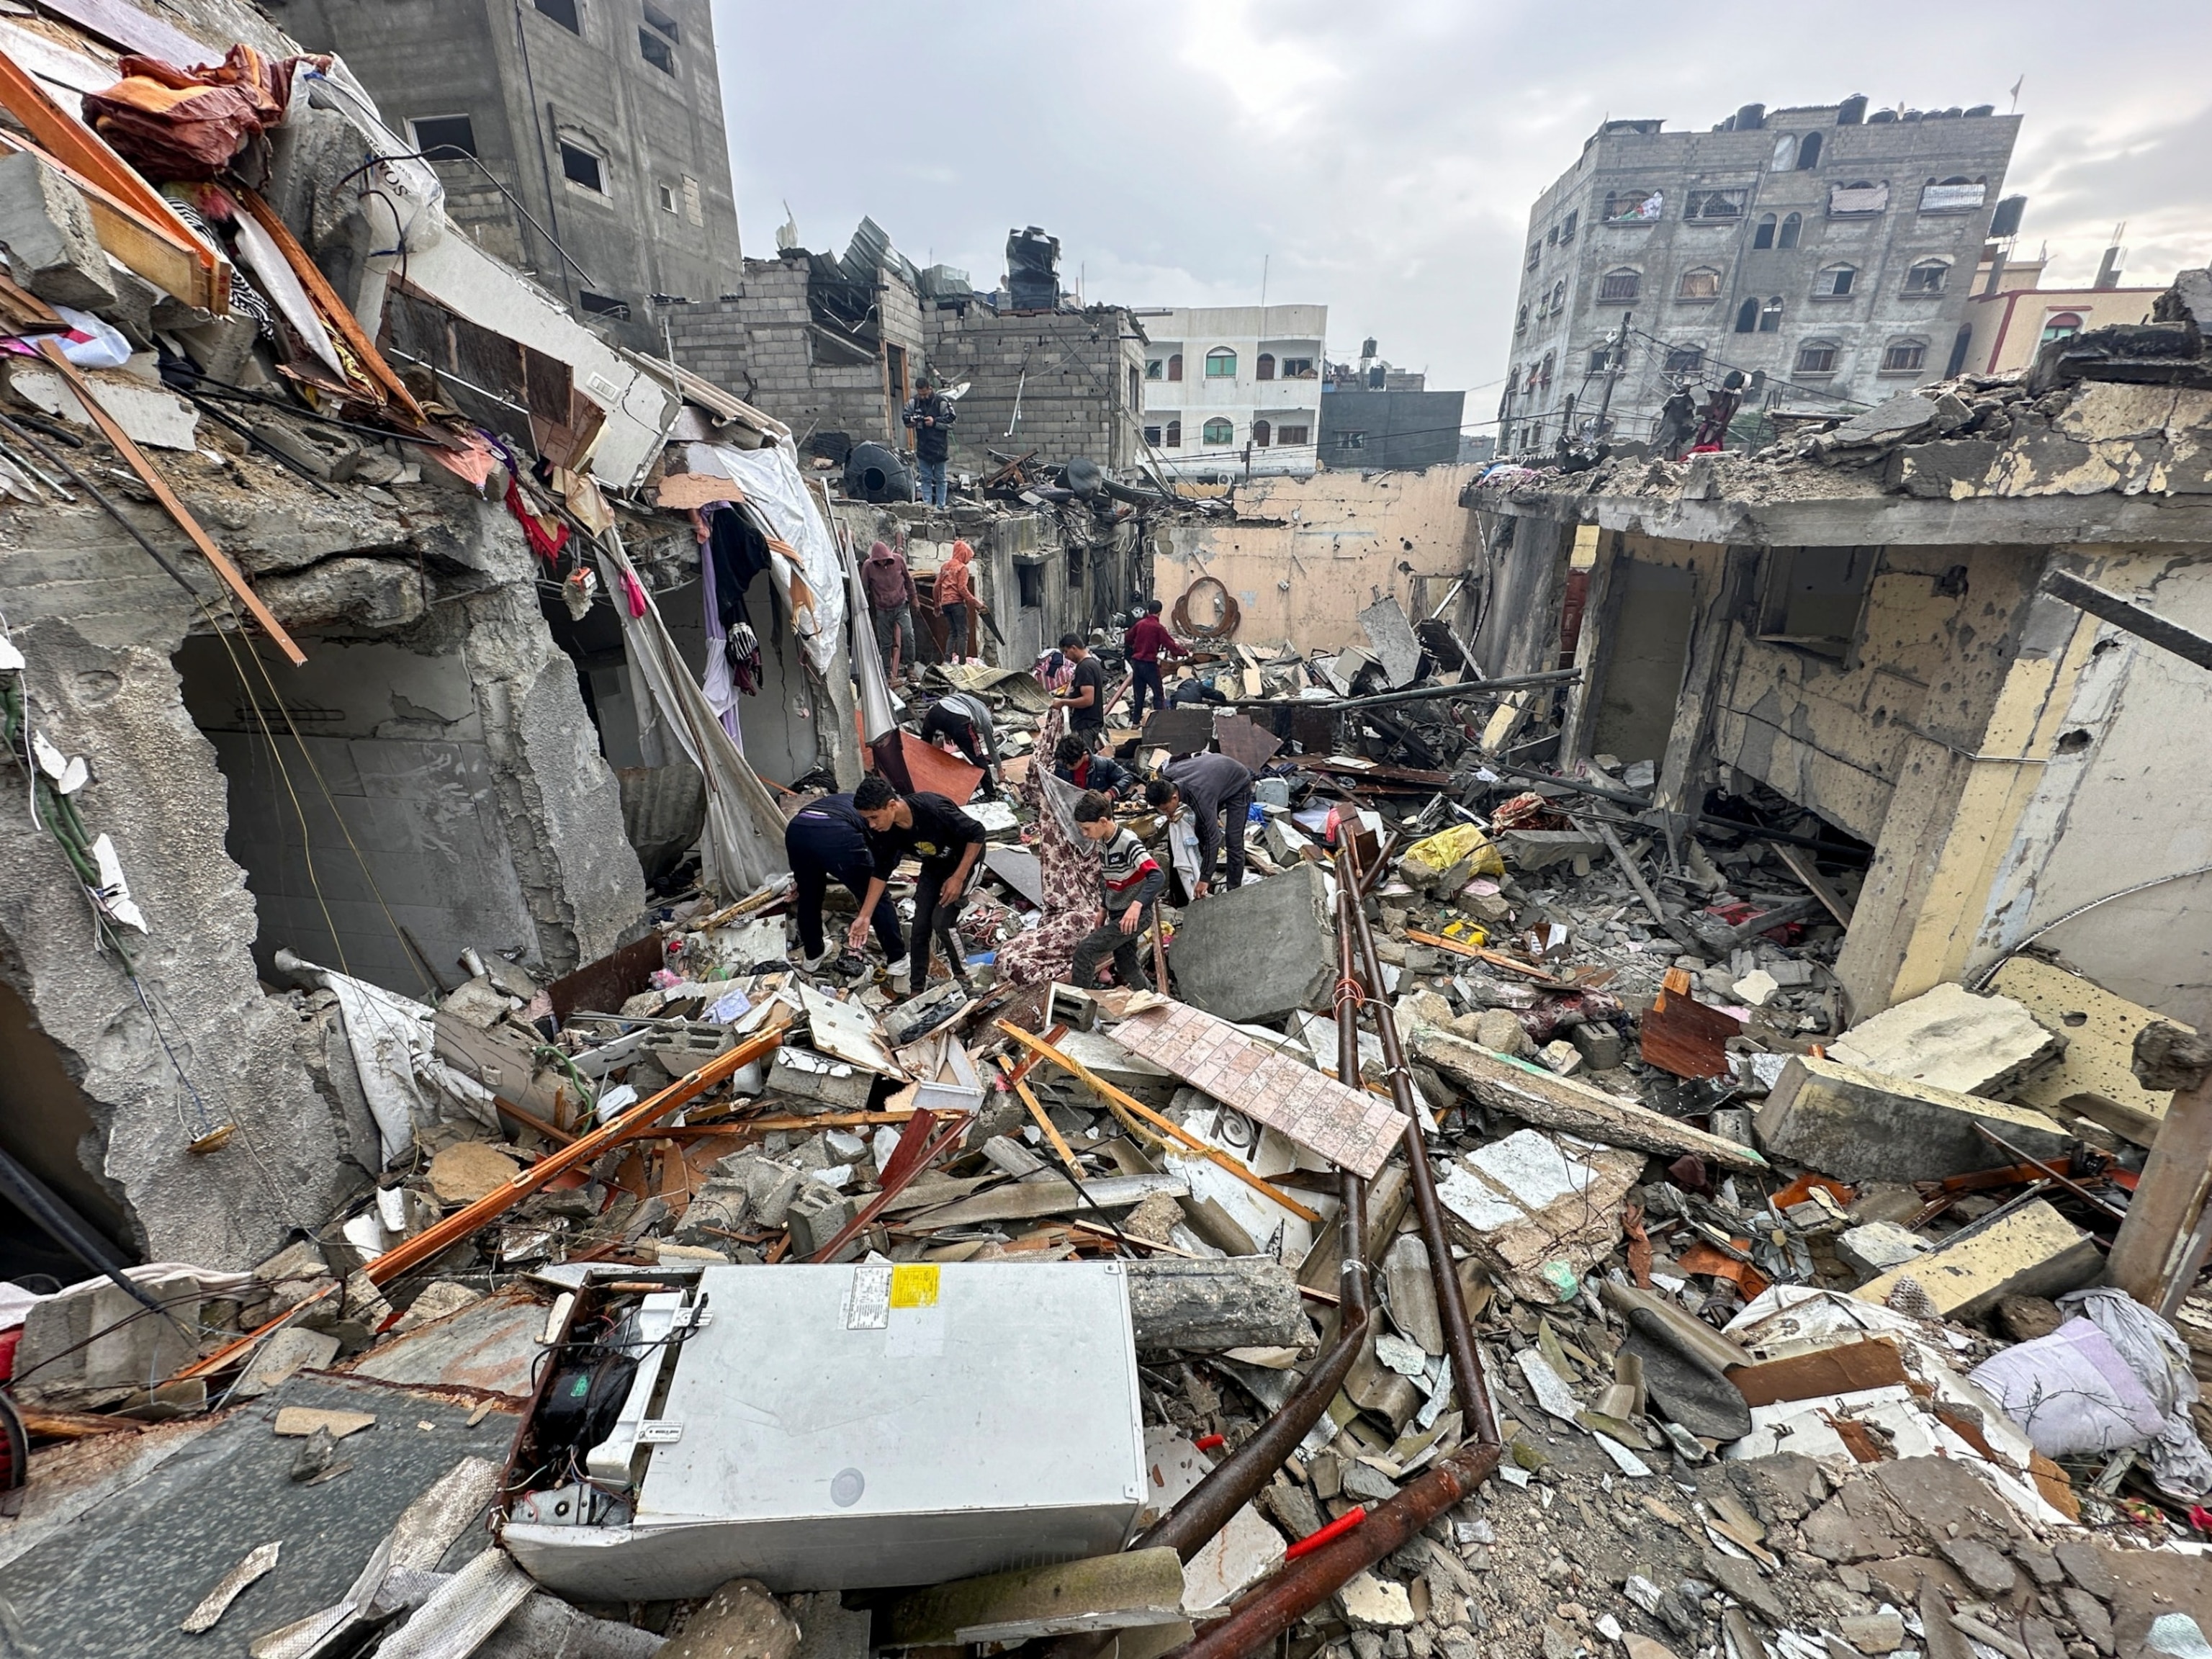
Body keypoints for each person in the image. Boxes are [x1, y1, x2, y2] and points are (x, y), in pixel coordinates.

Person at [850, 774, 986, 992]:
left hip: (965, 862)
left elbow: (977, 833)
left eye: (874, 817)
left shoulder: (932, 808)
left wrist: (958, 878)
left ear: (892, 805)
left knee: (942, 921)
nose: (872, 825)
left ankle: (965, 980)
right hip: (934, 865)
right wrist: (864, 916)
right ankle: (917, 989)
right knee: (920, 926)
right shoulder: (887, 833)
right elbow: (881, 872)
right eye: (867, 820)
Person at [785, 792, 905, 971]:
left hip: (797, 829)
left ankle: (813, 955)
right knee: (876, 895)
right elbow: (880, 864)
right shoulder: (878, 815)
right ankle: (898, 960)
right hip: (835, 832)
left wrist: (800, 880)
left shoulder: (852, 801)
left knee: (809, 896)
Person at [1069, 791, 1164, 992]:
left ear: (1103, 821)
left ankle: (1079, 1009)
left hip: (1134, 916)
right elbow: (1111, 879)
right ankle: (1154, 999)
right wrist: (1104, 908)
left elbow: (1157, 876)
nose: (1085, 834)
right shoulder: (1103, 842)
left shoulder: (1128, 842)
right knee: (1126, 965)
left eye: (1086, 828)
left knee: (1085, 951)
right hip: (1118, 913)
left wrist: (1136, 906)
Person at [1144, 750, 1254, 901]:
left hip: (1237, 781)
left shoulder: (1200, 799)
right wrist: (1168, 812)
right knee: (1200, 830)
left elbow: (1213, 839)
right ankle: (1191, 881)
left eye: (1165, 809)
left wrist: (1205, 879)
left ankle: (1233, 894)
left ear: (1175, 797)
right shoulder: (1169, 773)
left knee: (1233, 840)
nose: (1165, 813)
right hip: (1213, 774)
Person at [918, 691, 1002, 794]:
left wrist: (948, 731)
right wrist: (999, 768)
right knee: (978, 758)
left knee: (923, 745)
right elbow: (991, 745)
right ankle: (990, 795)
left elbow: (947, 711)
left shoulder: (962, 697)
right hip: (959, 720)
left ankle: (918, 774)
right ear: (990, 708)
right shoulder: (985, 714)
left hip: (936, 711)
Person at [1123, 599, 1190, 725]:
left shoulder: (1140, 624)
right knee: (1158, 694)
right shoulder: (1159, 628)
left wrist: (1135, 646)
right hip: (1149, 664)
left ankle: (1135, 722)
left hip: (1137, 663)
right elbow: (1171, 645)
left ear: (1148, 611)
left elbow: (1128, 638)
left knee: (1139, 695)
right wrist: (1185, 653)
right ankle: (1161, 723)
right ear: (1159, 613)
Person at [861, 537, 917, 683]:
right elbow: (864, 589)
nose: (881, 563)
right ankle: (886, 674)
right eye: (878, 561)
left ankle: (910, 668)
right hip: (882, 609)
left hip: (901, 604)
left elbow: (908, 580)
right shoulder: (868, 567)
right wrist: (865, 609)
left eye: (883, 560)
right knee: (885, 642)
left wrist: (914, 599)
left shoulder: (899, 561)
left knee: (908, 634)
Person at [903, 376, 956, 508]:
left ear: (930, 389)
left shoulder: (941, 402)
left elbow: (952, 421)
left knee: (940, 479)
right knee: (925, 478)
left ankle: (941, 506)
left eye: (925, 394)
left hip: (939, 447)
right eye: (920, 394)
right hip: (923, 447)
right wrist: (913, 422)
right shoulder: (913, 402)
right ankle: (927, 505)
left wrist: (934, 422)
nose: (923, 397)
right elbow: (905, 419)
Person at [1053, 633, 1107, 747]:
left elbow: (1088, 700)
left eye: (1066, 652)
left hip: (1085, 725)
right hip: (1089, 723)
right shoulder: (1092, 663)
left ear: (1074, 648)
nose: (1066, 656)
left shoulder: (1085, 667)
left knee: (1083, 762)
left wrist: (1063, 703)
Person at [935, 539, 986, 664]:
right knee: (963, 633)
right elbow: (962, 589)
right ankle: (962, 663)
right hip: (957, 604)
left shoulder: (945, 567)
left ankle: (947, 660)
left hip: (945, 604)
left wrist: (937, 604)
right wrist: (976, 603)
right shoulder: (962, 568)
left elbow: (936, 586)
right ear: (964, 554)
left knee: (953, 632)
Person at [1053, 733, 1134, 801]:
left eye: (1072, 764)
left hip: (1098, 812)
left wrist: (1111, 793)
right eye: (1065, 763)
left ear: (1084, 755)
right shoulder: (1061, 766)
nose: (1068, 767)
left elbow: (1127, 777)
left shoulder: (1103, 765)